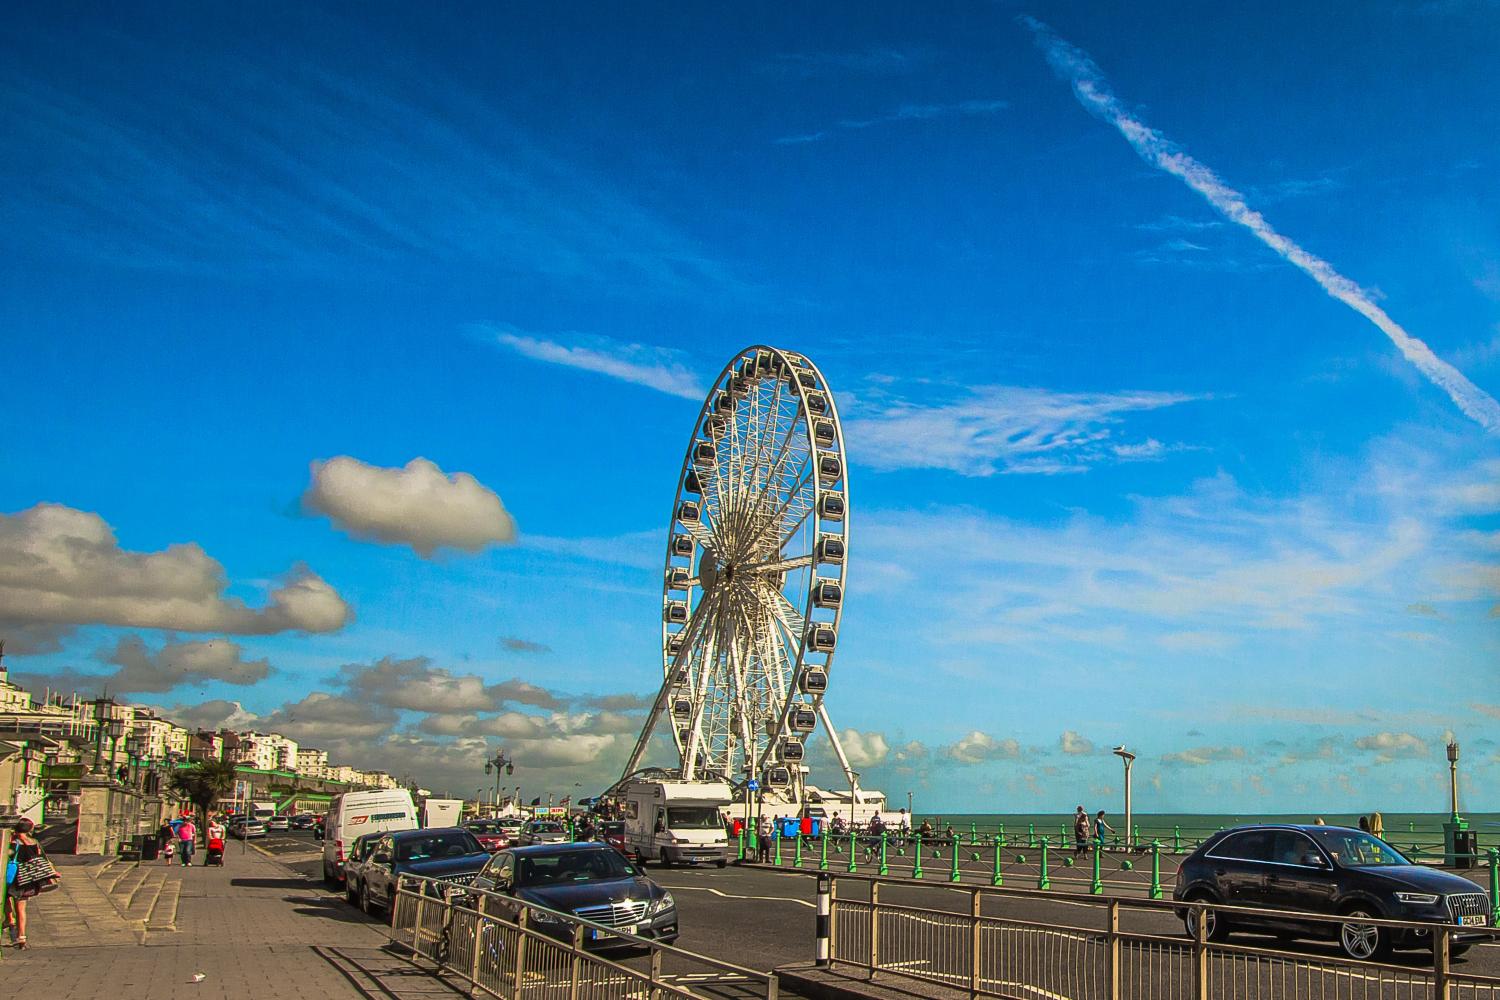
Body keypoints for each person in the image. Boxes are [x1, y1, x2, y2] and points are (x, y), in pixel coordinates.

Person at [6, 818, 57, 948]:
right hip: (27, 879)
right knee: (21, 909)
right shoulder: (35, 842)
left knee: (6, 899)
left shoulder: (12, 842)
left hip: (13, 877)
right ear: (29, 829)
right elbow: (43, 859)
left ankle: (10, 921)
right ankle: (21, 937)